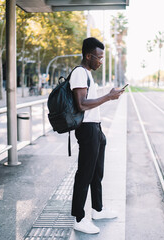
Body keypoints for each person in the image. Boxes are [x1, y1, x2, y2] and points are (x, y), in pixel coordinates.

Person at [70, 37, 124, 234]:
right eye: (99, 57)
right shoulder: (78, 73)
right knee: (84, 174)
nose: (101, 61)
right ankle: (79, 218)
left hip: (96, 127)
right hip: (86, 128)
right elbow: (82, 104)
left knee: (96, 173)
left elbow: (89, 100)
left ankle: (98, 209)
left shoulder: (87, 74)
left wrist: (109, 94)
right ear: (88, 55)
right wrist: (108, 97)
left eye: (102, 57)